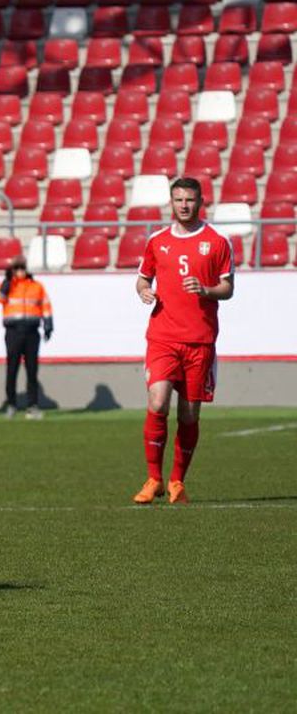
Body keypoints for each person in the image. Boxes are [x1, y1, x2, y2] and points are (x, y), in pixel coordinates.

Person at [132, 177, 234, 506]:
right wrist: (144, 291)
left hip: (200, 340)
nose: (184, 205)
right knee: (157, 401)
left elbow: (228, 288)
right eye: (178, 200)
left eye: (189, 199)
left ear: (200, 201)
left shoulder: (217, 242)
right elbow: (142, 277)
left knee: (189, 414)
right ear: (171, 202)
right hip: (163, 336)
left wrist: (206, 290)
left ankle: (177, 481)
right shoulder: (157, 241)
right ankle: (153, 479)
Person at [0, 255, 54, 420]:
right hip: (13, 332)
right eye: (17, 268)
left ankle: (32, 406)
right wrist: (7, 283)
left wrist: (48, 324)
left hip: (32, 332)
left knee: (32, 370)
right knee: (12, 369)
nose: (20, 271)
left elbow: (46, 305)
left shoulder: (36, 286)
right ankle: (11, 404)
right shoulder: (7, 285)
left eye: (22, 268)